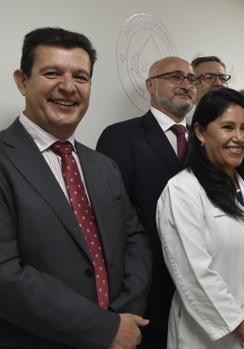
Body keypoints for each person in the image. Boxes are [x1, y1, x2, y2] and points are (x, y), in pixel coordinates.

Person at [0, 27, 152, 348]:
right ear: (22, 81)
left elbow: (135, 240)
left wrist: (123, 315)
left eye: (81, 77)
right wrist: (104, 328)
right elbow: (5, 275)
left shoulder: (103, 165)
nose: (68, 87)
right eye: (52, 72)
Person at [156, 88, 244, 348]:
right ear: (199, 131)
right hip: (211, 338)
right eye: (228, 127)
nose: (239, 138)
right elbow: (194, 275)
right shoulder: (182, 191)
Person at [97, 56, 197, 348]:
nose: (185, 85)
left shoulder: (204, 142)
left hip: (199, 279)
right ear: (150, 85)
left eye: (191, 79)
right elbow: (112, 215)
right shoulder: (120, 136)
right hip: (147, 282)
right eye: (175, 77)